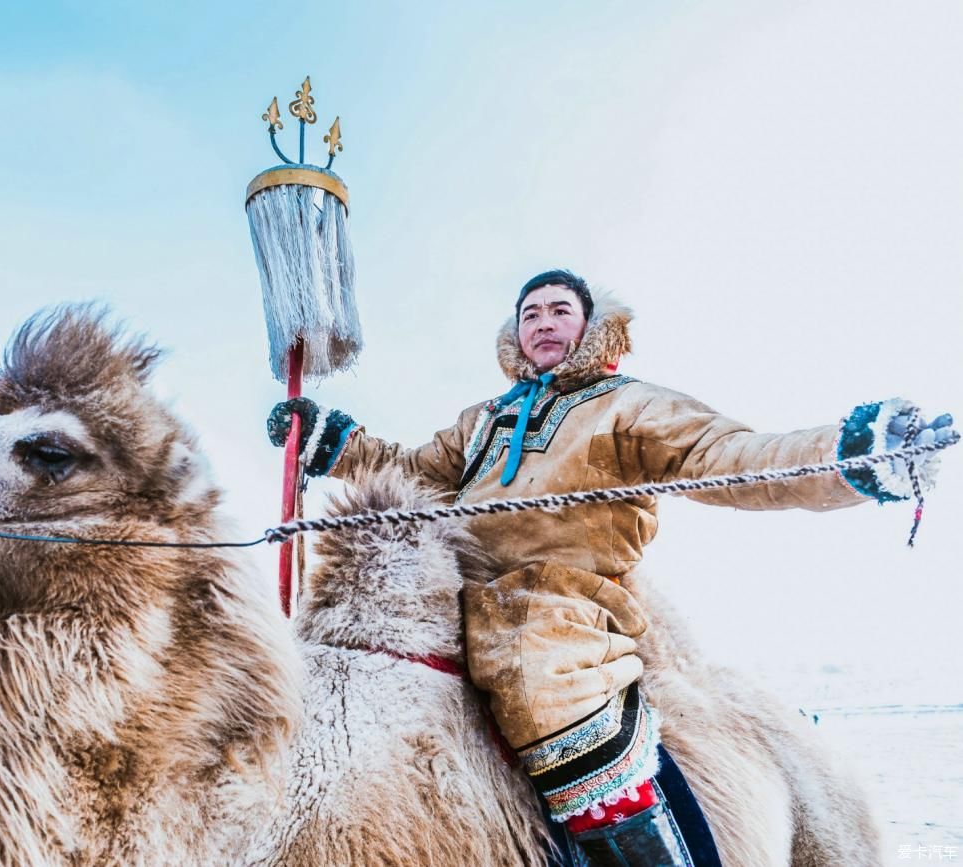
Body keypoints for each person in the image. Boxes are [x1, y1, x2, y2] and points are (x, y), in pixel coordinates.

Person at [267, 270, 953, 865]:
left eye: (560, 310)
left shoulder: (629, 406)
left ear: (590, 327)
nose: (542, 322)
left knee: (541, 688)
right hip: (463, 598)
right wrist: (334, 441)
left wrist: (849, 454)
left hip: (560, 610)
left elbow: (731, 455)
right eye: (530, 313)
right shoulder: (483, 422)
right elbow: (414, 470)